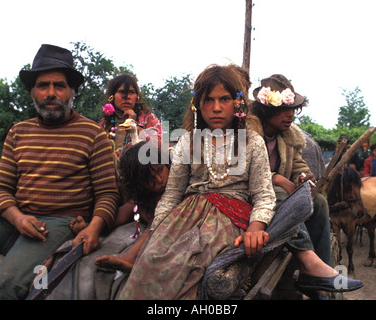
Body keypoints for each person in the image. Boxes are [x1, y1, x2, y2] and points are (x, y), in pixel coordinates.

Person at [0, 44, 120, 300]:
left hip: (57, 223)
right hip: (15, 218)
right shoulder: (18, 131)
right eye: (43, 85)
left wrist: (94, 227)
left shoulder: (93, 134)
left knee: (3, 286)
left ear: (71, 92)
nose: (51, 93)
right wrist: (17, 217)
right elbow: (0, 187)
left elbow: (108, 193)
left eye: (59, 86)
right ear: (32, 92)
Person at [118, 64, 276, 300]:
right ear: (197, 104)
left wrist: (255, 228)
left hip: (228, 219)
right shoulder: (187, 142)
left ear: (238, 103)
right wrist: (155, 232)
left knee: (190, 261)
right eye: (208, 100)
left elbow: (264, 195)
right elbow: (172, 194)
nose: (216, 108)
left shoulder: (252, 142)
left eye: (224, 99)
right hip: (184, 218)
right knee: (152, 258)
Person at [251, 74, 363, 299]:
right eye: (284, 109)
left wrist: (303, 176)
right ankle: (307, 261)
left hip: (281, 195)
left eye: (293, 109)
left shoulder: (289, 137)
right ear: (267, 110)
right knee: (281, 191)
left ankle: (318, 278)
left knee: (319, 201)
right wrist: (278, 179)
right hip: (255, 195)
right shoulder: (249, 133)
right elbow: (246, 172)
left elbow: (299, 166)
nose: (290, 114)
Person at [69, 140, 170, 272]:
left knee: (155, 222)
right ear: (139, 184)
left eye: (160, 170)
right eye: (149, 180)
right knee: (131, 207)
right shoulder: (144, 195)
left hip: (166, 214)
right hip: (149, 208)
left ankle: (131, 256)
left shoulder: (175, 178)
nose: (159, 179)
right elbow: (133, 206)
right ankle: (92, 229)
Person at [99, 74, 162, 157]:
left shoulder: (148, 118)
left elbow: (159, 145)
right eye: (122, 92)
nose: (127, 97)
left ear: (137, 97)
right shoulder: (105, 123)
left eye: (131, 92)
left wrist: (133, 126)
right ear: (112, 96)